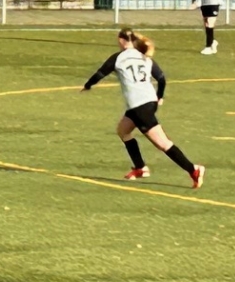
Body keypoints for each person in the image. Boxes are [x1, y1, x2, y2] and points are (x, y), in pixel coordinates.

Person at [82, 28, 204, 189]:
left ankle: (193, 169)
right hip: (147, 102)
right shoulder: (144, 57)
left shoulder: (118, 58)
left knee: (163, 143)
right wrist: (160, 97)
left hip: (140, 106)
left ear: (121, 40)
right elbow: (161, 78)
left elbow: (100, 73)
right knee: (123, 130)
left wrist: (88, 85)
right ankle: (140, 168)